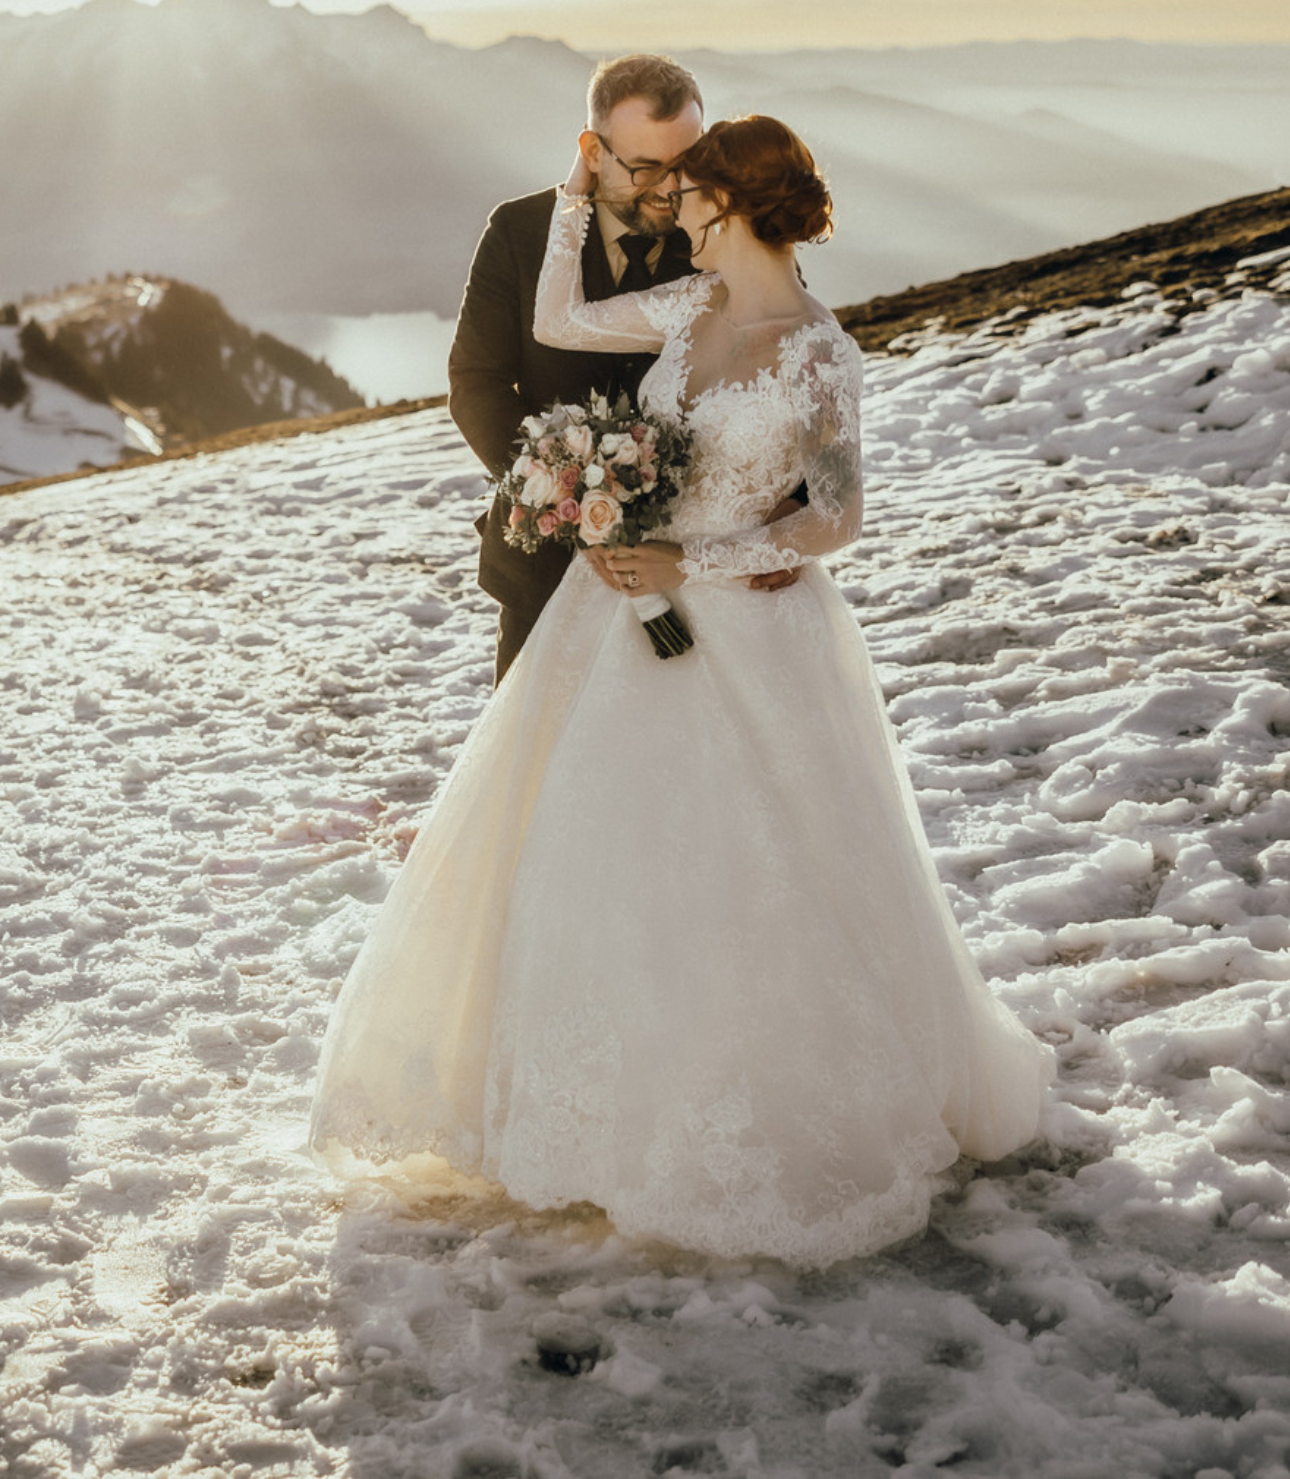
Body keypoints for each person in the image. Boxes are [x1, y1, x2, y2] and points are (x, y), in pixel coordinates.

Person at [309, 114, 1049, 1267]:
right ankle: (568, 1116)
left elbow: (835, 516)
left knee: (749, 871)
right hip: (610, 620)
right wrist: (568, 199)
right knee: (590, 856)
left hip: (753, 634)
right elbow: (556, 316)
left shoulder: (815, 349)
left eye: (690, 198)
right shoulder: (686, 307)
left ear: (738, 206)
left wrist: (687, 565)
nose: (672, 215)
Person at [447, 55, 795, 685]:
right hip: (546, 565)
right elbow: (477, 385)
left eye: (685, 163)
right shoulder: (519, 233)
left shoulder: (731, 237)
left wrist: (784, 509)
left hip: (701, 569)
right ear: (593, 150)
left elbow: (784, 372)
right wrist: (565, 497)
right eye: (644, 168)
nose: (668, 188)